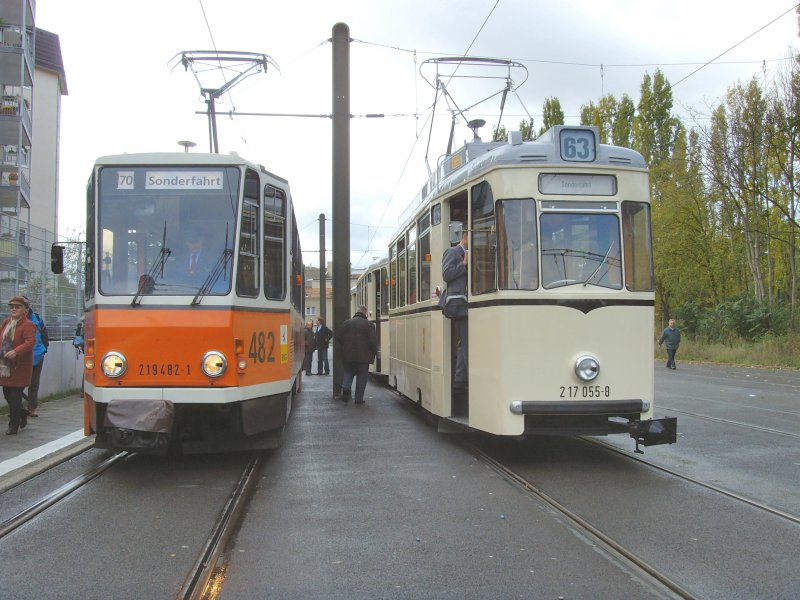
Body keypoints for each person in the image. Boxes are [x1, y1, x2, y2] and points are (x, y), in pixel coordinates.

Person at [438, 227, 469, 391]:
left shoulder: (471, 253)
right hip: (459, 304)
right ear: (465, 236)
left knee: (464, 341)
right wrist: (463, 264)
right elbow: (446, 274)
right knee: (466, 341)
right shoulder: (452, 252)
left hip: (466, 303)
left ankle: (460, 378)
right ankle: (463, 378)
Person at [0, 296, 36, 434]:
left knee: (15, 397)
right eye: (12, 307)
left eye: (17, 307)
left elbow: (30, 342)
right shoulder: (6, 322)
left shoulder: (28, 325)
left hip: (19, 366)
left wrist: (16, 351)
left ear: (25, 310)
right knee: (7, 394)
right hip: (6, 365)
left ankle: (13, 425)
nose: (13, 309)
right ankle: (22, 413)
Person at [335, 304, 377, 404]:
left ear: (357, 312)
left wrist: (343, 350)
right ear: (365, 313)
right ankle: (358, 399)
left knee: (348, 372)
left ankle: (346, 389)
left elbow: (338, 338)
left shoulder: (346, 323)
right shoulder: (369, 325)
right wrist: (373, 353)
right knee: (362, 376)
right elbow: (373, 341)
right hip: (364, 356)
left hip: (348, 355)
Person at [22, 296, 48, 418]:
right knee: (18, 384)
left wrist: (44, 349)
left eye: (26, 304)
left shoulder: (36, 318)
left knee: (34, 383)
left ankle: (32, 408)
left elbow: (44, 334)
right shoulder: (14, 320)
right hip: (22, 357)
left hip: (38, 355)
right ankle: (16, 408)